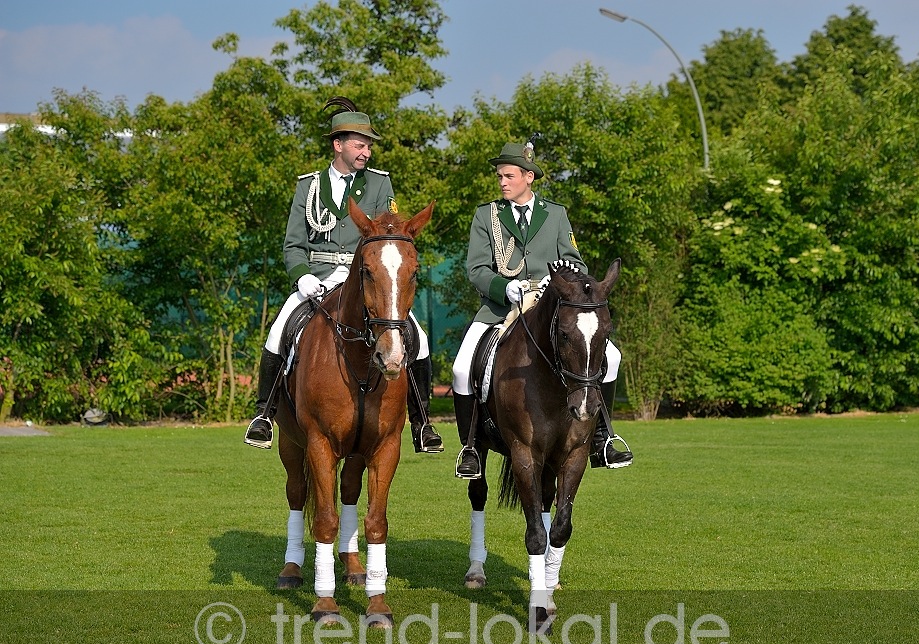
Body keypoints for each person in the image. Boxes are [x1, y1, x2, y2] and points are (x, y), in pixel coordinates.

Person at [244, 97, 443, 454]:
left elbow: (389, 232)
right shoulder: (308, 187)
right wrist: (302, 276)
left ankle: (422, 422)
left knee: (420, 338)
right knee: (278, 332)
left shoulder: (379, 185)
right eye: (360, 145)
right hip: (318, 277)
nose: (367, 152)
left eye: (369, 146)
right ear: (338, 145)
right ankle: (264, 414)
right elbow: (293, 244)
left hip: (366, 279)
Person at [452, 139, 633, 479]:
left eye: (509, 176)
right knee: (462, 369)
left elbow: (576, 262)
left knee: (613, 357)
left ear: (529, 176)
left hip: (551, 306)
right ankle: (471, 446)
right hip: (501, 307)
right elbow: (476, 269)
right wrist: (503, 287)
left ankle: (601, 438)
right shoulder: (486, 215)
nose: (502, 182)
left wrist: (566, 274)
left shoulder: (556, 214)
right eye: (499, 176)